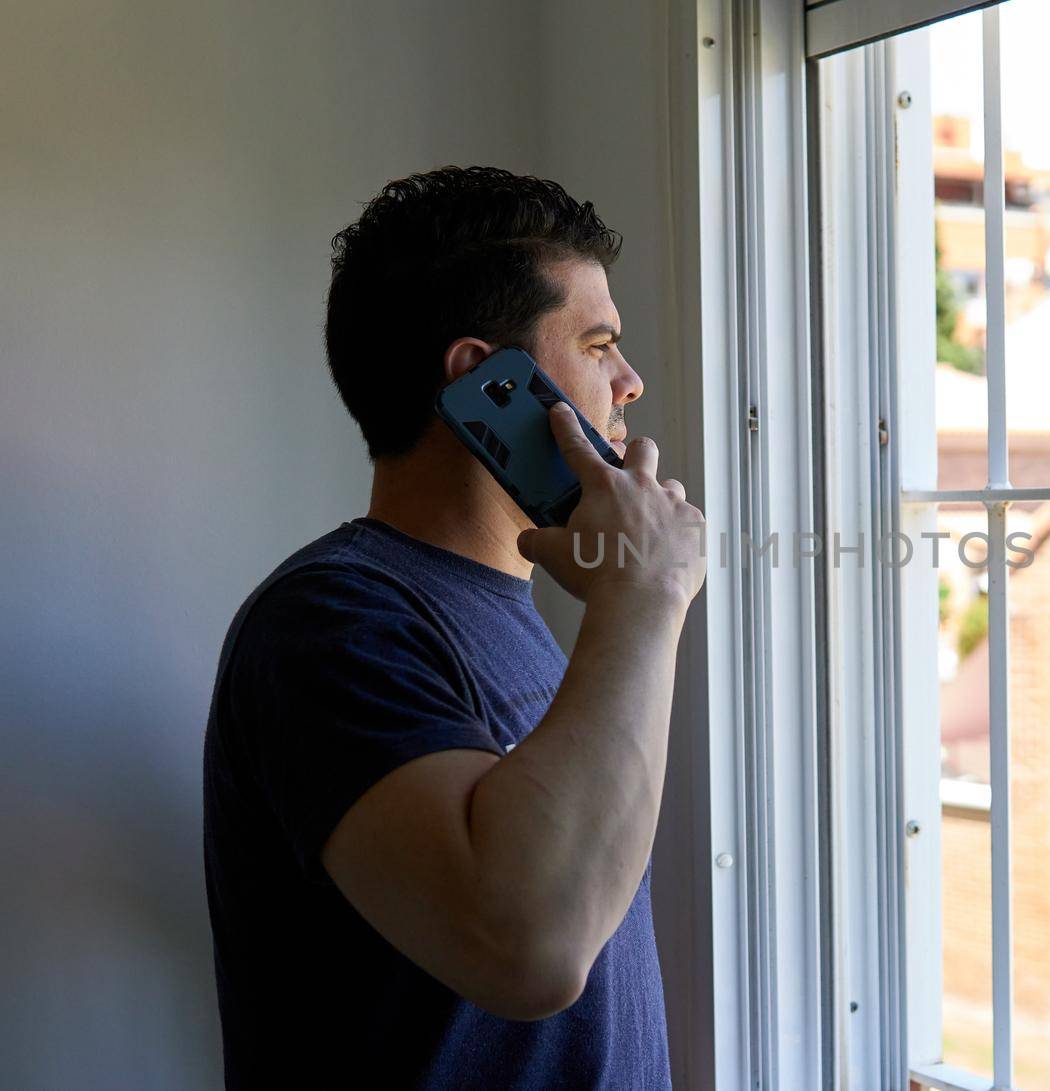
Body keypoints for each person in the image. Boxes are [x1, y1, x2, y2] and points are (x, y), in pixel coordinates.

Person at [201, 166, 705, 1089]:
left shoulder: (512, 617)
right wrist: (646, 595)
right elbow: (533, 950)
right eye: (599, 345)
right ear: (487, 383)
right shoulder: (329, 623)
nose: (631, 381)